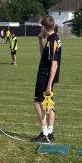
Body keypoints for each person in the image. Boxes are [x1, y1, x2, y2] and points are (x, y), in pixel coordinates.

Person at [32, 15, 62, 143]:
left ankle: (44, 133)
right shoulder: (53, 39)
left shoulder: (51, 41)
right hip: (47, 76)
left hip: (45, 77)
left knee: (37, 103)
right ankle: (50, 132)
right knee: (49, 102)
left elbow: (54, 64)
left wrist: (49, 84)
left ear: (44, 27)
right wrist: (40, 41)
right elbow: (44, 57)